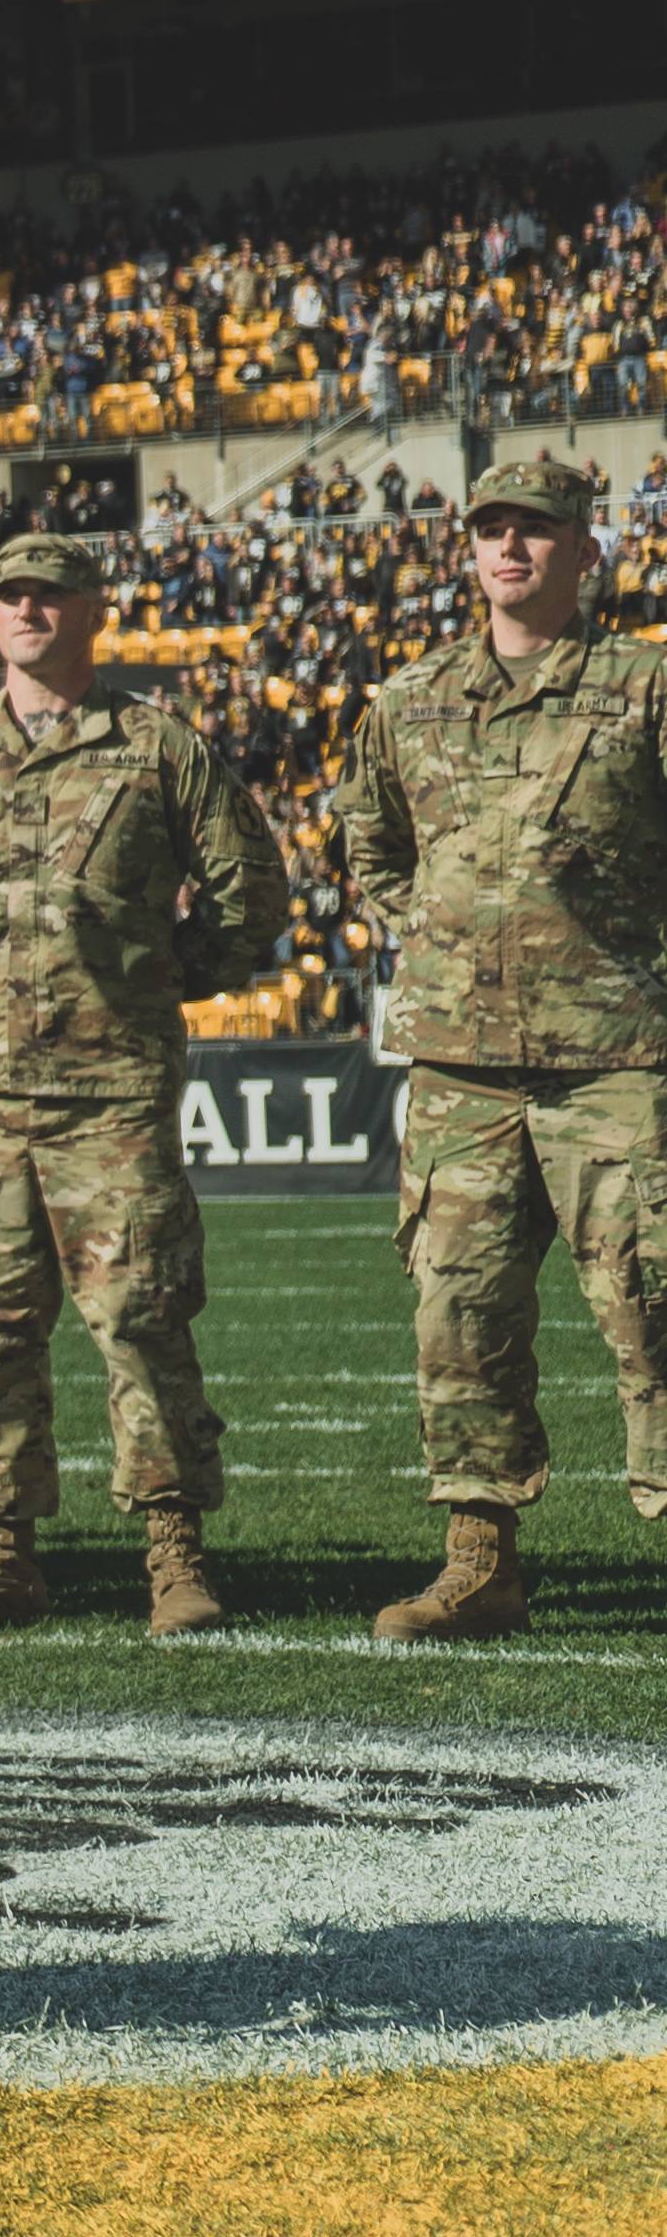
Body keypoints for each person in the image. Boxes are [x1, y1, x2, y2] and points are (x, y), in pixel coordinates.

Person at [0, 535, 286, 1636]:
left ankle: (173, 1553)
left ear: (93, 610)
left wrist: (155, 985)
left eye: (50, 594)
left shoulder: (157, 749)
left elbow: (249, 888)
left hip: (110, 1093)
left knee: (140, 1319)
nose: (29, 611)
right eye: (12, 598)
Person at [333, 457, 667, 1641]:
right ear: (467, 553)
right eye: (491, 531)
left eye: (537, 529)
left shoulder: (642, 687)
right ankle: (480, 1563)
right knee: (458, 1317)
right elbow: (366, 839)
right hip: (460, 1065)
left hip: (615, 1057)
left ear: (586, 550)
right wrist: (434, 931)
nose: (511, 548)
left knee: (651, 1303)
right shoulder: (409, 699)